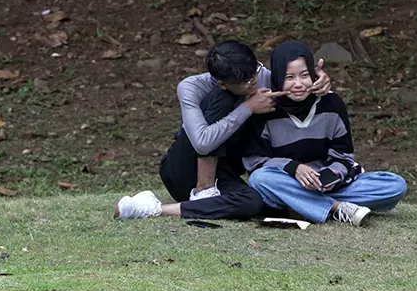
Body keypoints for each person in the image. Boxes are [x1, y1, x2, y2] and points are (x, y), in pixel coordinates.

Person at [114, 39, 330, 221]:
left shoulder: (261, 75)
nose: (253, 82)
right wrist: (248, 107)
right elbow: (202, 141)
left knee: (254, 203)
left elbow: (294, 88)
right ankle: (203, 190)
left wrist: (319, 84)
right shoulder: (191, 87)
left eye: (254, 73)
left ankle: (155, 209)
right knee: (222, 100)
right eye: (245, 82)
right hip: (183, 168)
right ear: (222, 82)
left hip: (225, 169)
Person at [243, 41, 408, 227]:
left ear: (314, 74)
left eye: (304, 75)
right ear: (278, 78)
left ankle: (304, 205)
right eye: (289, 77)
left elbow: (343, 155)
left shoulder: (332, 104)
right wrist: (294, 168)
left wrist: (332, 175)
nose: (298, 84)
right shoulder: (265, 109)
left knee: (395, 185)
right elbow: (256, 163)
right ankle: (336, 208)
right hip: (288, 183)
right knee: (260, 180)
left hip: (328, 185)